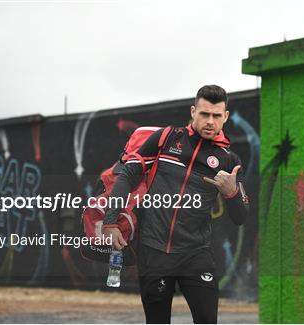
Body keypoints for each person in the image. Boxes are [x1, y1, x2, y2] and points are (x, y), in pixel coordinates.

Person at [102, 85, 250, 324]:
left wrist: (231, 192)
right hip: (154, 251)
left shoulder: (229, 161)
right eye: (204, 114)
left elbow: (241, 216)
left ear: (225, 117)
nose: (210, 121)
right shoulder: (166, 138)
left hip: (196, 254)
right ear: (193, 112)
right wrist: (110, 222)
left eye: (216, 115)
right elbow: (128, 174)